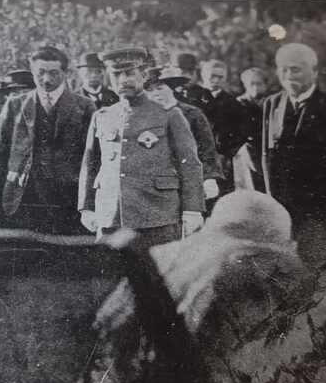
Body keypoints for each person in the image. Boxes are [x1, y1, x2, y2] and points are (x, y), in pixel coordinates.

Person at [79, 47, 204, 248]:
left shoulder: (168, 114)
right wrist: (86, 207)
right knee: (111, 276)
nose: (123, 80)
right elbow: (90, 163)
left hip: (157, 214)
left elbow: (189, 163)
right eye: (116, 74)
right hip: (111, 213)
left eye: (129, 73)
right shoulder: (102, 116)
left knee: (159, 275)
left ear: (144, 75)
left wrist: (193, 209)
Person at [258, 43, 326, 262]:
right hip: (282, 213)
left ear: (314, 71)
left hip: (323, 215)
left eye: (295, 69)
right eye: (283, 69)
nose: (288, 75)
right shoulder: (271, 105)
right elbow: (266, 156)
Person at [0, 46, 96, 234]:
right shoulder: (15, 105)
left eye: (53, 73)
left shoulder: (84, 106)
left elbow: (93, 157)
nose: (46, 80)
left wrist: (89, 202)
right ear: (33, 72)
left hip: (68, 198)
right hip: (23, 196)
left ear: (65, 72)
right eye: (40, 73)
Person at [148, 67, 221, 202]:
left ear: (172, 89)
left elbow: (207, 149)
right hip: (157, 183)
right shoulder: (145, 117)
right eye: (149, 90)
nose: (155, 94)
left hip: (188, 179)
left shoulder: (192, 114)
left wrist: (209, 178)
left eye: (160, 88)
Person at [198, 59, 254, 198]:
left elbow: (242, 132)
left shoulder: (232, 103)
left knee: (220, 197)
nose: (216, 80)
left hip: (221, 160)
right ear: (203, 74)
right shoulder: (193, 98)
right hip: (196, 157)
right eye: (212, 76)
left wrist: (227, 153)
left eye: (220, 77)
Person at [0, 69, 35, 136]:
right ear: (7, 97)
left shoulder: (46, 121)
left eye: (25, 94)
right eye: (15, 94)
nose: (20, 98)